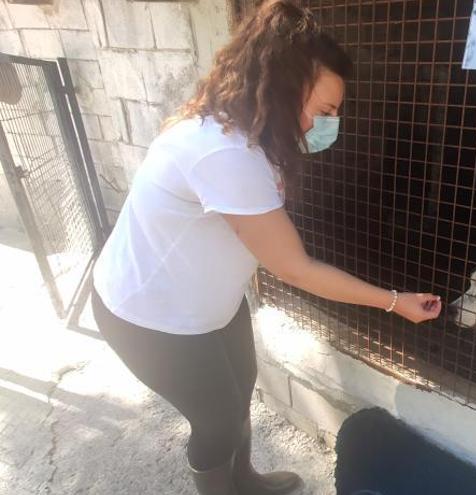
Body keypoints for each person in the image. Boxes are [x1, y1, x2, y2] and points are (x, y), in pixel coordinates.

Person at [90, 2, 442, 494]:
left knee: (239, 392)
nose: (328, 125)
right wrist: (392, 301)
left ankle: (245, 481)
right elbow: (293, 268)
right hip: (150, 316)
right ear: (282, 87)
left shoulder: (251, 134)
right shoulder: (224, 151)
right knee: (215, 420)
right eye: (324, 111)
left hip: (212, 302)